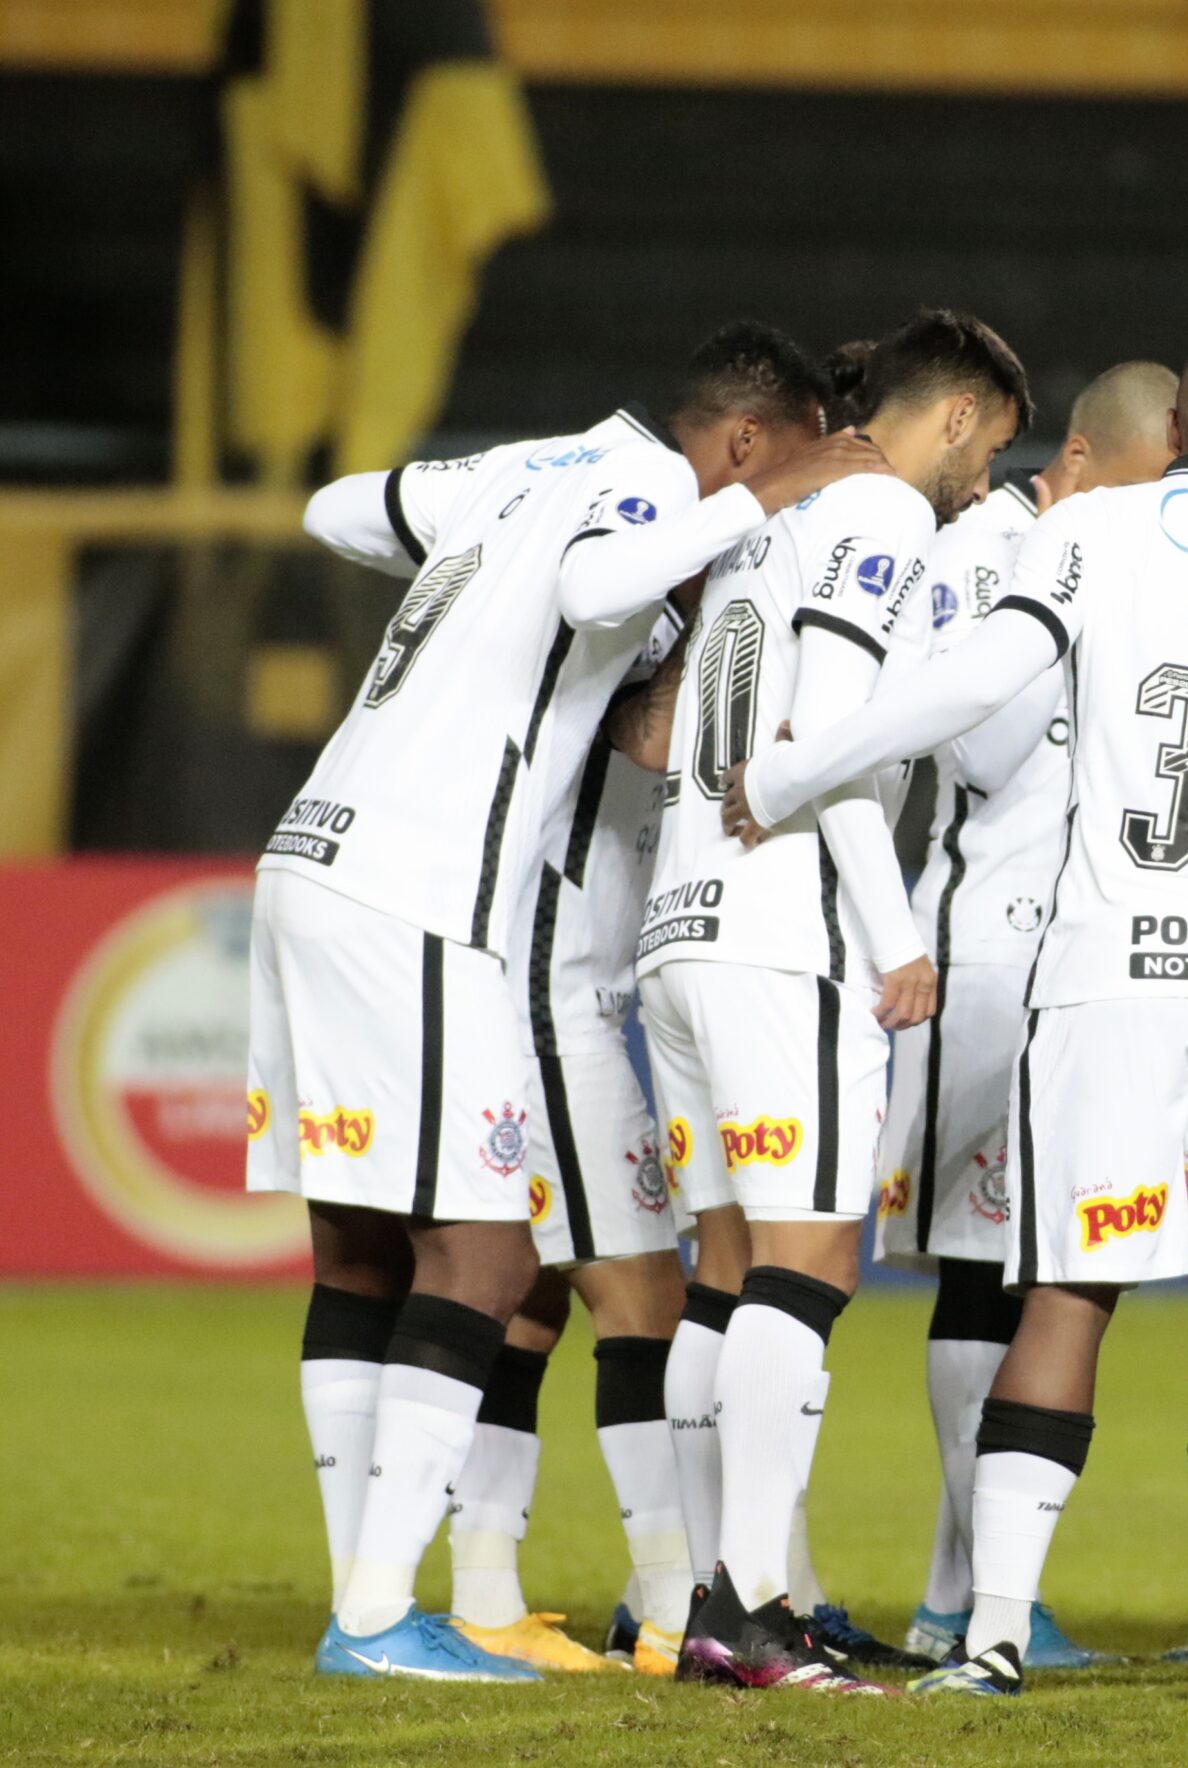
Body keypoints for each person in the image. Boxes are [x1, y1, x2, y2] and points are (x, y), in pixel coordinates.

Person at [727, 320, 1188, 1704]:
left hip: (1111, 969)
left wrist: (807, 765)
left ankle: (989, 1635)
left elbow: (973, 683)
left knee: (1067, 1288)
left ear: (1179, 428)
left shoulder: (1098, 535)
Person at [267, 322, 875, 1681]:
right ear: (742, 444)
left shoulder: (520, 470)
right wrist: (743, 506)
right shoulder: (660, 495)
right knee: (506, 1266)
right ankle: (386, 1618)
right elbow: (605, 580)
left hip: (314, 851)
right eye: (790, 467)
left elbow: (331, 508)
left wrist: (481, 557)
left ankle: (431, 1595)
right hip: (431, 892)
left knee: (381, 1252)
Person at [639, 309, 1028, 1693]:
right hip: (778, 928)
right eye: (990, 452)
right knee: (812, 1264)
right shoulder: (883, 516)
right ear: (962, 415)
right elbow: (832, 733)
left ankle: (705, 1602)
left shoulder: (763, 527)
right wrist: (893, 930)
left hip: (678, 924)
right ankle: (747, 1608)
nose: (983, 486)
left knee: (726, 1277)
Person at [877, 360, 1179, 1669]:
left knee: (1016, 1267)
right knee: (977, 1262)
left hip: (1066, 956)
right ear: (1091, 460)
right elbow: (977, 746)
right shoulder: (994, 546)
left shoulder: (1096, 562)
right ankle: (966, 1598)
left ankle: (962, 1597)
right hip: (978, 955)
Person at [446, 606, 698, 1676]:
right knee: (645, 1302)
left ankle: (484, 1592)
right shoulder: (628, 619)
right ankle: (672, 1611)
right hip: (553, 995)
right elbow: (651, 738)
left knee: (530, 1303)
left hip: (563, 987)